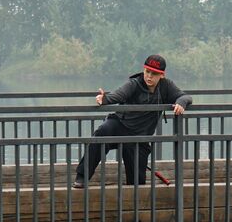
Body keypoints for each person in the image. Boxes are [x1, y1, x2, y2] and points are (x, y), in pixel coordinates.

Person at [73, 54, 191, 189]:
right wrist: (104, 99)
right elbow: (119, 94)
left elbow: (185, 96)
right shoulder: (134, 83)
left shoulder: (166, 86)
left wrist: (181, 103)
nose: (149, 76)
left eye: (154, 73)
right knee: (102, 132)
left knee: (137, 183)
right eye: (147, 72)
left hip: (140, 137)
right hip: (120, 125)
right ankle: (82, 176)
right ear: (143, 70)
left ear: (162, 75)